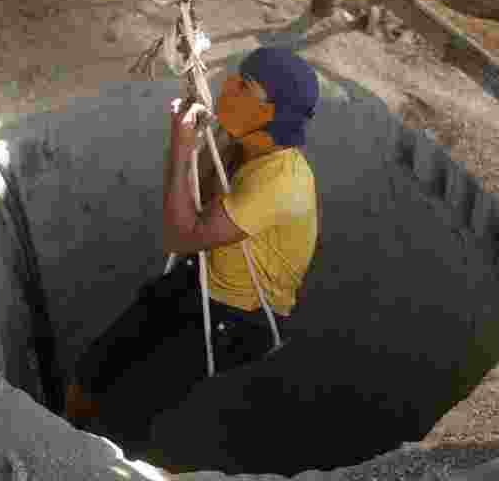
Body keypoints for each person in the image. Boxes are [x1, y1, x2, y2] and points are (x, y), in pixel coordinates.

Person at [66, 47, 320, 458]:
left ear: (275, 112)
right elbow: (191, 196)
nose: (228, 88)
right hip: (201, 278)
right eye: (235, 78)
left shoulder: (281, 182)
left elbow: (180, 235)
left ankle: (112, 465)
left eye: (245, 87)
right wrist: (198, 140)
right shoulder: (242, 147)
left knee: (128, 411)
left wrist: (182, 143)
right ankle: (61, 441)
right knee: (95, 368)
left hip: (239, 316)